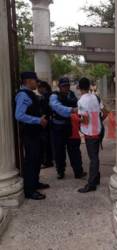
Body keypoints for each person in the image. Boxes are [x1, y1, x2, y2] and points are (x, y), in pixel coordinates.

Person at [15, 72, 50, 200]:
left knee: (37, 160)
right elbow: (19, 115)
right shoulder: (23, 95)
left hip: (36, 133)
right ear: (28, 81)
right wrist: (38, 120)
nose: (37, 83)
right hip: (30, 134)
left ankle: (35, 183)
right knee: (31, 161)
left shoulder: (30, 94)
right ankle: (30, 190)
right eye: (36, 81)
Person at [49, 77, 86, 180]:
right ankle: (60, 171)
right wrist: (72, 110)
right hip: (58, 128)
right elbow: (56, 107)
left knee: (74, 151)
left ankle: (78, 172)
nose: (66, 88)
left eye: (67, 85)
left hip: (71, 127)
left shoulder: (72, 95)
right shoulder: (54, 96)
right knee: (59, 151)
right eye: (64, 86)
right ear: (59, 86)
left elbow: (80, 107)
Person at [77, 77, 104, 193]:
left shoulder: (81, 101)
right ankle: (96, 178)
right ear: (89, 87)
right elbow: (105, 111)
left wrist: (77, 120)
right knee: (95, 156)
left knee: (93, 158)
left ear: (79, 87)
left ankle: (91, 184)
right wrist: (98, 121)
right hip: (99, 130)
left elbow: (85, 120)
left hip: (90, 133)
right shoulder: (96, 97)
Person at [37, 81, 54, 168]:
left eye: (39, 88)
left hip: (46, 122)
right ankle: (50, 160)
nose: (38, 90)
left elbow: (46, 110)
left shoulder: (46, 97)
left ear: (44, 88)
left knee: (46, 143)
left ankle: (47, 161)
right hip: (49, 121)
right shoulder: (49, 96)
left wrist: (42, 119)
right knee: (48, 142)